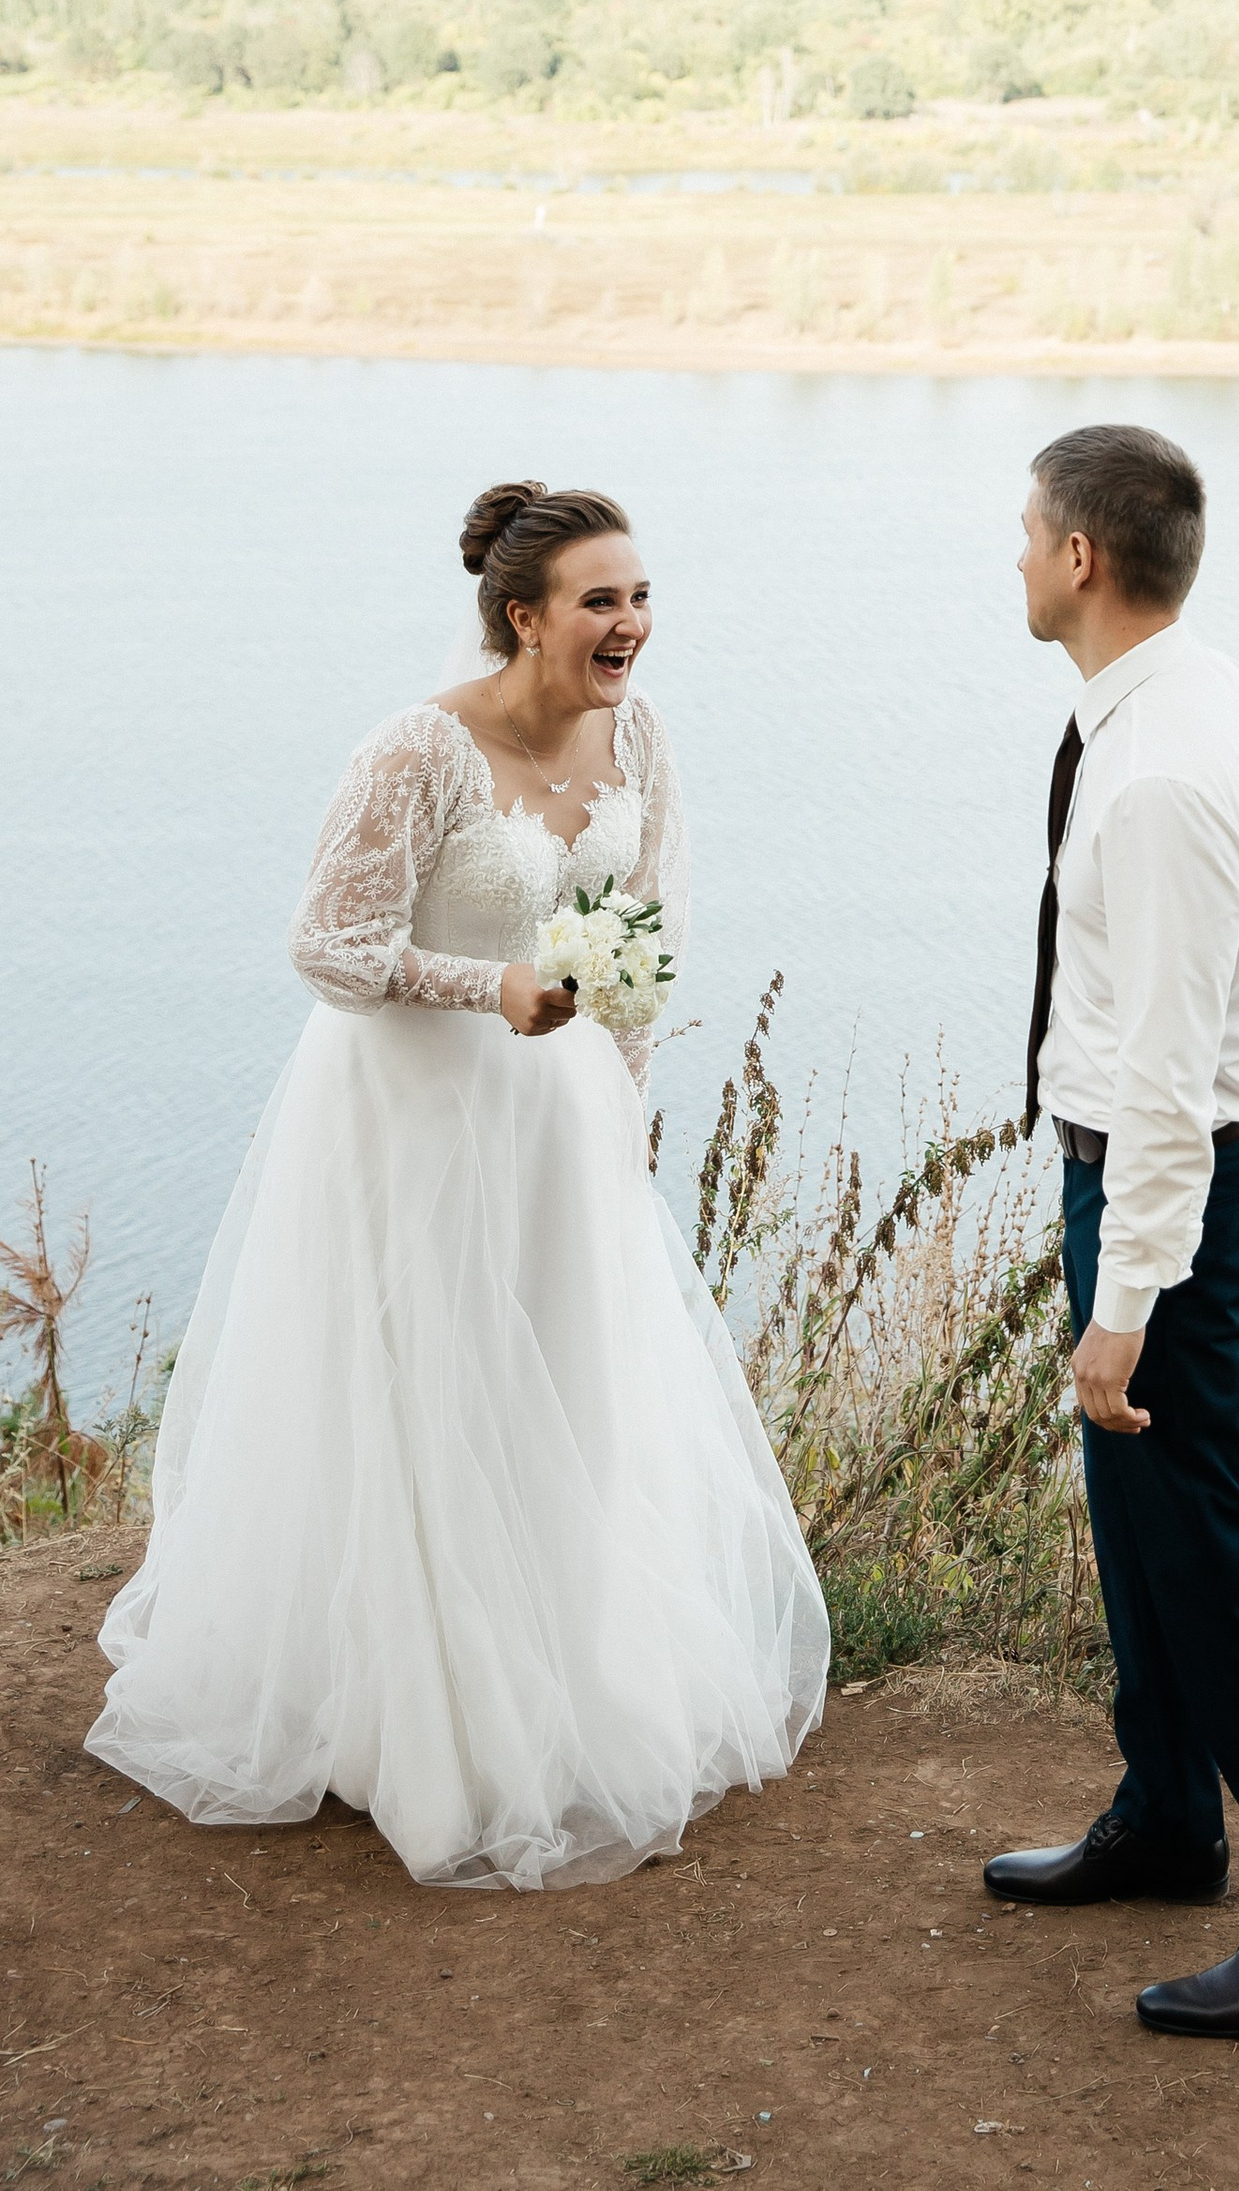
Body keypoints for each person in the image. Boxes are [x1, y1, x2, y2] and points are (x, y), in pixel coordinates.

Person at [87, 480, 828, 1891]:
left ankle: (563, 1676)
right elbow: (326, 946)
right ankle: (418, 1718)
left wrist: (626, 1103)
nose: (632, 624)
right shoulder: (416, 751)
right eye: (601, 601)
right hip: (411, 1122)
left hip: (558, 1125)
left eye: (641, 597)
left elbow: (643, 927)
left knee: (565, 1381)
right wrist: (487, 987)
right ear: (523, 618)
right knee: (428, 1389)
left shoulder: (642, 735)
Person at [983, 422, 1239, 2039]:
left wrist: (1125, 1297)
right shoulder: (1210, 689)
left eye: (1028, 532)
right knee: (1139, 1516)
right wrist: (1226, 969)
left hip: (1171, 1182)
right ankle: (1167, 1816)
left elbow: (1162, 1081)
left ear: (1081, 557)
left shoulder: (1155, 773)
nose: (1018, 556)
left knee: (1214, 1549)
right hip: (1174, 1165)